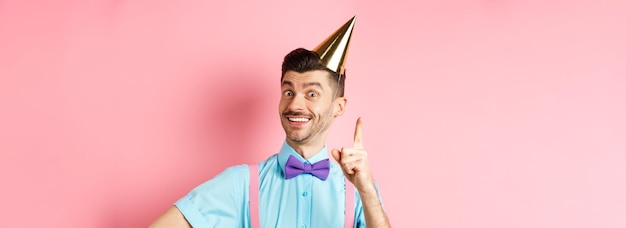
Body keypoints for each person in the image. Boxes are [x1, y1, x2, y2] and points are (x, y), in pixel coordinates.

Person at [150, 16, 390, 228]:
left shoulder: (360, 190)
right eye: (288, 92)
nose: (295, 104)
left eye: (312, 94)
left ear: (338, 107)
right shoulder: (240, 184)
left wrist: (367, 190)